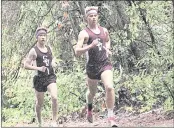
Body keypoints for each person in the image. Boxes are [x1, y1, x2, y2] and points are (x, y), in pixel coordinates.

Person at [75, 6, 117, 127]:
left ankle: (111, 117)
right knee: (91, 93)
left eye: (95, 15)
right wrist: (90, 46)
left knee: (109, 87)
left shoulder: (104, 30)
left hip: (105, 64)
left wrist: (107, 48)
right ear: (86, 18)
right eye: (90, 16)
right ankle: (89, 109)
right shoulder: (84, 33)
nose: (93, 18)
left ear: (97, 16)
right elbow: (77, 52)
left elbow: (108, 40)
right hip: (92, 67)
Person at [24, 27, 58, 127]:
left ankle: (54, 121)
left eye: (44, 35)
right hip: (39, 79)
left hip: (50, 77)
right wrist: (38, 68)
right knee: (39, 103)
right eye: (40, 36)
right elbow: (26, 65)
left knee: (54, 97)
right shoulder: (33, 51)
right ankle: (39, 123)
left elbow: (52, 58)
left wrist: (53, 62)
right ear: (37, 37)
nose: (43, 37)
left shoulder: (49, 48)